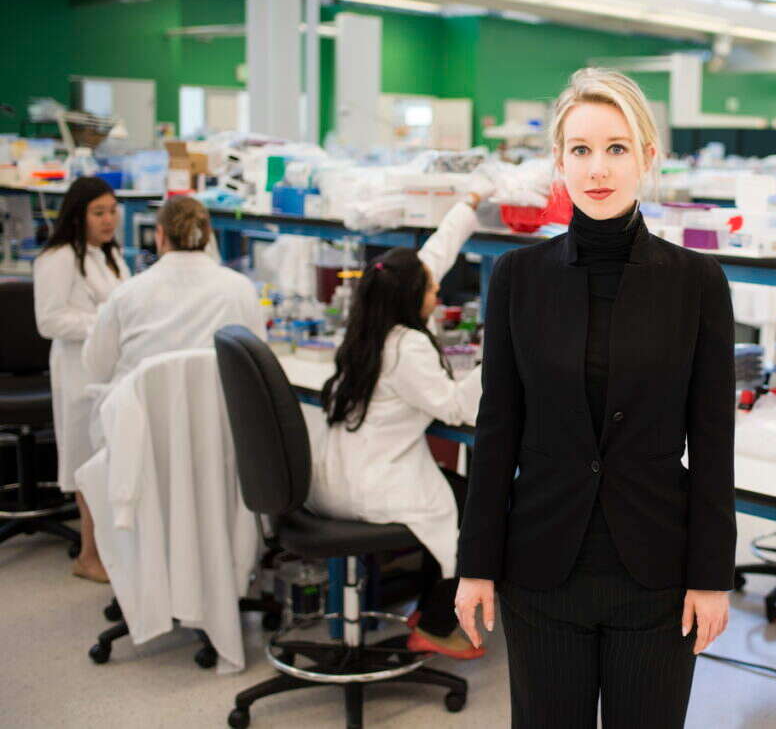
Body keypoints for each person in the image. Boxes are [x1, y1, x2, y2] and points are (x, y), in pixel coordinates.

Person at [453, 68, 737, 729]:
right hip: (541, 569)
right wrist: (476, 565)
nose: (598, 168)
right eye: (580, 149)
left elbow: (713, 441)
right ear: (559, 160)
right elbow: (496, 430)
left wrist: (712, 575)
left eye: (616, 147)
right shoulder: (519, 277)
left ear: (647, 157)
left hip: (657, 574)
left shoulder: (697, 282)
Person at [310, 190, 488, 660]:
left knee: (459, 495)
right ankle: (434, 624)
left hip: (334, 480)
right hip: (373, 488)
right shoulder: (407, 347)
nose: (438, 294)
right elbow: (455, 409)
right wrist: (497, 358)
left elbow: (426, 263)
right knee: (480, 508)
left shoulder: (366, 327)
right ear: (411, 298)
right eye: (430, 291)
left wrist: (469, 204)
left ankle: (427, 609)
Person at [33, 176, 132, 582]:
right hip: (77, 370)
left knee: (108, 458)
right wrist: (103, 324)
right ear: (78, 215)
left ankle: (110, 550)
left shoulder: (110, 255)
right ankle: (88, 555)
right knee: (85, 462)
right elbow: (49, 321)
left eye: (112, 211)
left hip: (112, 370)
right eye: (98, 213)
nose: (109, 220)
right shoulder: (57, 259)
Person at [82, 195, 265, 389]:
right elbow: (256, 360)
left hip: (142, 407)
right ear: (208, 234)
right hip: (214, 406)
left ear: (160, 235)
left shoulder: (127, 294)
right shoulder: (241, 288)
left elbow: (97, 368)